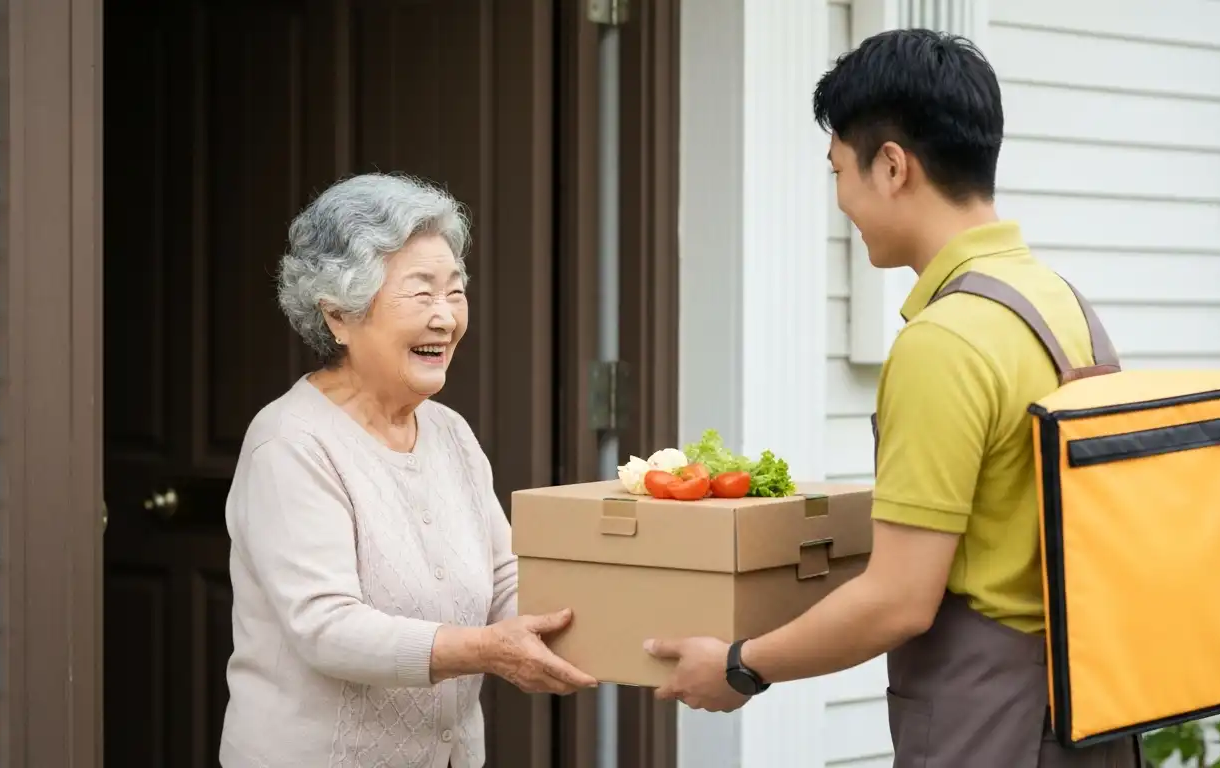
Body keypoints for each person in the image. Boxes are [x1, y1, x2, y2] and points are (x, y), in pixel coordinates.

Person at [644, 29, 1139, 766]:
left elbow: (900, 600)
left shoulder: (945, 340)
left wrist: (739, 665)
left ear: (892, 166)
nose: (840, 198)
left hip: (989, 726)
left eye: (839, 169)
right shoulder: (1061, 303)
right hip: (1090, 713)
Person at [219, 173, 597, 768]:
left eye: (455, 291)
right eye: (421, 294)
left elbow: (504, 577)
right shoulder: (290, 443)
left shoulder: (450, 433)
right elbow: (325, 627)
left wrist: (588, 625)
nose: (445, 318)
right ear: (339, 315)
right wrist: (487, 650)